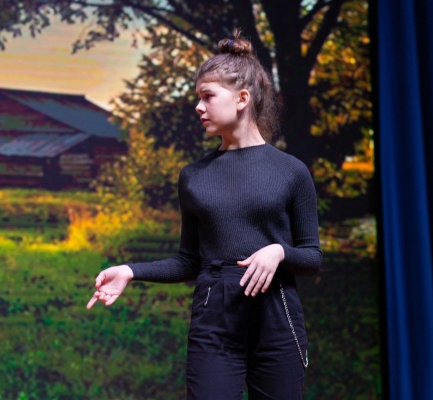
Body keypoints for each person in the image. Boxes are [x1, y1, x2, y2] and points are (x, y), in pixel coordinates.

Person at [87, 28, 322, 400]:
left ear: (242, 98)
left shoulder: (291, 171)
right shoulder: (194, 176)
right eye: (198, 97)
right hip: (215, 326)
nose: (199, 107)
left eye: (207, 96)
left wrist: (279, 252)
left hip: (277, 323)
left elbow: (312, 257)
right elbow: (189, 260)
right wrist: (131, 271)